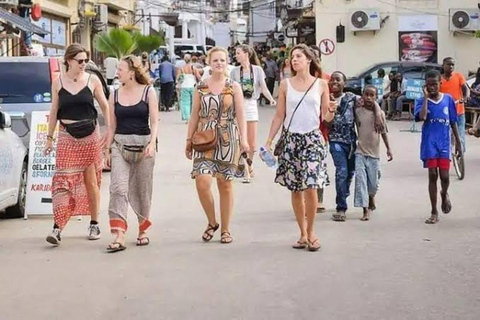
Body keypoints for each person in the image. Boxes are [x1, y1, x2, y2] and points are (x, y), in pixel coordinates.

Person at [264, 44, 333, 252]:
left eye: (299, 56)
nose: (294, 60)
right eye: (292, 57)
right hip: (291, 139)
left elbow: (326, 117)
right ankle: (302, 233)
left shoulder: (321, 84)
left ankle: (312, 232)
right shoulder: (285, 85)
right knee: (295, 189)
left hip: (312, 139)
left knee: (311, 186)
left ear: (308, 60)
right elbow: (279, 115)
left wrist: (332, 111)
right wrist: (269, 140)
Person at [44, 43, 110, 245]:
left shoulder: (92, 80)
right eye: (80, 61)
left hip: (89, 135)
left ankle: (94, 222)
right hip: (66, 134)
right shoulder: (58, 82)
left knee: (91, 181)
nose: (83, 64)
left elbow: (106, 107)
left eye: (85, 61)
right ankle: (57, 227)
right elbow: (54, 111)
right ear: (69, 61)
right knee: (62, 182)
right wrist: (49, 138)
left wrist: (108, 133)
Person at [185, 47, 248, 244]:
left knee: (225, 184)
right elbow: (194, 114)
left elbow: (241, 115)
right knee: (202, 182)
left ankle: (226, 229)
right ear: (209, 63)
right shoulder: (201, 87)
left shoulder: (233, 86)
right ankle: (212, 221)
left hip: (228, 137)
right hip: (204, 138)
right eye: (215, 60)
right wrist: (188, 140)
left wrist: (244, 140)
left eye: (222, 60)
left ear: (227, 62)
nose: (219, 63)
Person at [103, 55, 159, 252]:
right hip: (120, 145)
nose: (117, 72)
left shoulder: (148, 92)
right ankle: (119, 234)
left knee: (142, 190)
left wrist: (152, 143)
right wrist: (107, 149)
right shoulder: (114, 94)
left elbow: (155, 121)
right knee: (118, 188)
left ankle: (142, 230)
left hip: (144, 147)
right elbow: (111, 126)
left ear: (132, 72)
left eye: (120, 69)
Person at [325, 71, 384, 222]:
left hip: (351, 142)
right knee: (342, 172)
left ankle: (345, 196)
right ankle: (341, 208)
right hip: (335, 141)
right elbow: (326, 124)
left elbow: (371, 101)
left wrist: (377, 114)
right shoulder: (325, 99)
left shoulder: (351, 98)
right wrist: (330, 109)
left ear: (345, 83)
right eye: (332, 80)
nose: (334, 82)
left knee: (350, 173)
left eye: (338, 80)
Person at [415, 70, 462, 225]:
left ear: (440, 83)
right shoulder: (422, 101)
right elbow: (422, 117)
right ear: (425, 86)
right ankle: (434, 211)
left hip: (444, 142)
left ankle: (444, 193)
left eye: (435, 84)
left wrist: (458, 141)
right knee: (432, 175)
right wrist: (426, 98)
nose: (432, 87)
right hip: (429, 142)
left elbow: (453, 121)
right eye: (429, 85)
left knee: (445, 176)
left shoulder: (448, 99)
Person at [230, 44, 276, 183]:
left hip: (251, 105)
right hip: (238, 105)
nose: (236, 55)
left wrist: (271, 99)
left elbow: (263, 87)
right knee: (241, 139)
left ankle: (249, 165)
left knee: (252, 143)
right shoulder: (234, 71)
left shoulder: (257, 70)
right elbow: (230, 88)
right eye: (236, 53)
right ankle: (245, 171)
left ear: (246, 54)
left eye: (238, 53)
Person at [354, 85, 393, 221]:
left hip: (374, 154)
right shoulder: (358, 111)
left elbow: (383, 132)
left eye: (372, 95)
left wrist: (389, 149)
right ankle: (365, 209)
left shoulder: (380, 114)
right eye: (366, 94)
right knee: (361, 181)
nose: (369, 98)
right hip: (360, 152)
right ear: (362, 95)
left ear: (376, 98)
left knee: (374, 183)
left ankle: (371, 197)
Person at [440, 57, 469, 152]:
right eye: (448, 64)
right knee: (445, 136)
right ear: (443, 66)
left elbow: (466, 88)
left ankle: (461, 154)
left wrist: (465, 97)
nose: (451, 66)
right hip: (445, 113)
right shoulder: (439, 80)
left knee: (460, 136)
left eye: (452, 65)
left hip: (459, 112)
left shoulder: (458, 76)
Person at [177, 54, 199, 123]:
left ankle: (187, 118)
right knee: (193, 102)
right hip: (193, 86)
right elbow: (198, 76)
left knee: (185, 102)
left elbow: (178, 78)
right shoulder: (193, 68)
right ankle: (193, 117)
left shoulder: (182, 68)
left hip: (184, 86)